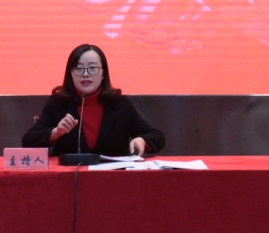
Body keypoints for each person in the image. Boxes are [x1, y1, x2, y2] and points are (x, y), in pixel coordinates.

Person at [22, 44, 165, 157]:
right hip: (70, 180)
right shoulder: (58, 103)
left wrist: (142, 140)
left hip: (112, 179)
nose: (85, 74)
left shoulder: (120, 104)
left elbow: (157, 136)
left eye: (92, 68)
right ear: (70, 74)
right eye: (79, 68)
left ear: (103, 74)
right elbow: (28, 140)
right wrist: (56, 132)